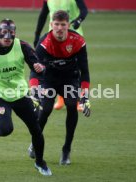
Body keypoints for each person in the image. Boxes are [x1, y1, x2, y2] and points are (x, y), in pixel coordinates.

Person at [0, 19, 52, 176]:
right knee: (6, 129)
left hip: (19, 94)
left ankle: (40, 163)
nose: (7, 37)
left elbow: (38, 67)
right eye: (3, 33)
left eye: (10, 34)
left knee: (36, 130)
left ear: (14, 34)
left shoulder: (23, 46)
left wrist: (41, 68)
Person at [28, 10, 91, 165]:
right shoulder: (43, 44)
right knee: (46, 109)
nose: (59, 28)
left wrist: (85, 96)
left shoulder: (78, 41)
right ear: (51, 25)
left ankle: (66, 150)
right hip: (48, 79)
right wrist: (34, 94)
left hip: (69, 79)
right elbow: (34, 72)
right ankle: (35, 144)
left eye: (63, 24)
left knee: (71, 105)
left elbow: (85, 72)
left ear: (68, 25)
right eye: (56, 24)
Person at [30, 0, 88, 110]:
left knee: (75, 68)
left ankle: (78, 98)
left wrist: (78, 20)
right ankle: (61, 98)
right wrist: (37, 34)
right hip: (53, 38)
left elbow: (84, 10)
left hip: (74, 37)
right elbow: (43, 15)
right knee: (54, 67)